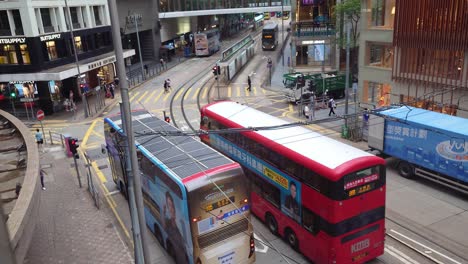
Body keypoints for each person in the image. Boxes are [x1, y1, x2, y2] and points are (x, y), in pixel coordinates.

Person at [163, 191, 187, 264]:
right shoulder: (169, 224)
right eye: (169, 206)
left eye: (172, 206)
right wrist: (163, 212)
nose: (171, 209)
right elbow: (164, 226)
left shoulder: (182, 224)